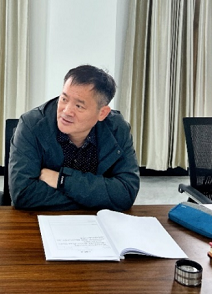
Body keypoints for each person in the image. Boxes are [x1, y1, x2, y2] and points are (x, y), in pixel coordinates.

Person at [9, 65, 140, 211]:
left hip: (97, 222)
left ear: (102, 113)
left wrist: (62, 180)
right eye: (64, 99)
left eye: (79, 106)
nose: (66, 111)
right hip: (41, 220)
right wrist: (98, 198)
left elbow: (126, 192)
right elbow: (23, 193)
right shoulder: (31, 125)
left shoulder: (117, 128)